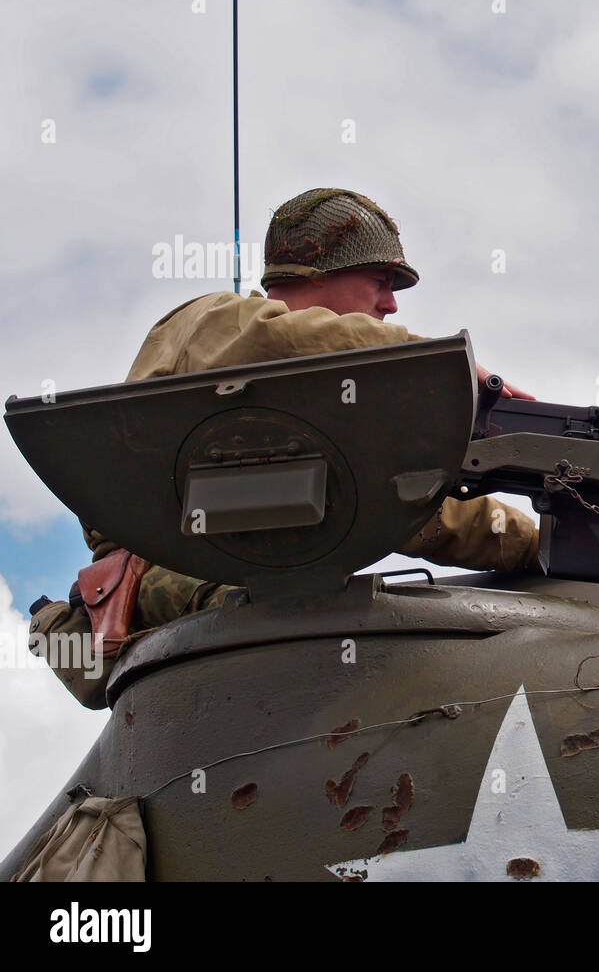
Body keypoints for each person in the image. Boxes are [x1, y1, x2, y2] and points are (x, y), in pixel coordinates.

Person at [34, 189, 540, 706]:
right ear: (320, 270)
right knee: (293, 634)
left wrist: (540, 546)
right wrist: (433, 365)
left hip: (275, 582)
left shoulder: (337, 409)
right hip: (169, 572)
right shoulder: (212, 323)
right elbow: (273, 340)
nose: (390, 304)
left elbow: (414, 505)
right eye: (382, 282)